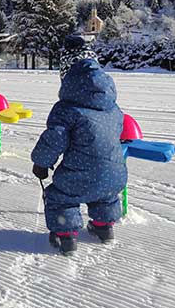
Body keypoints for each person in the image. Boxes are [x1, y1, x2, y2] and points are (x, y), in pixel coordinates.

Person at [31, 35, 127, 255]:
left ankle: (65, 236)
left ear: (68, 78)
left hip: (80, 176)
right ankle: (104, 228)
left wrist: (41, 163)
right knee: (105, 195)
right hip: (116, 175)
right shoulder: (113, 107)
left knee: (60, 197)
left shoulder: (67, 108)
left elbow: (54, 138)